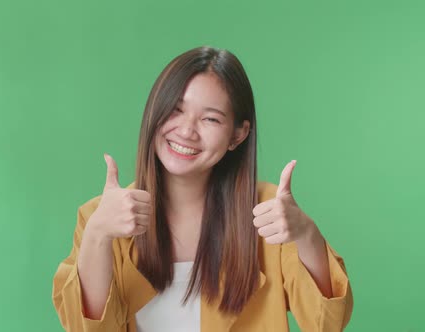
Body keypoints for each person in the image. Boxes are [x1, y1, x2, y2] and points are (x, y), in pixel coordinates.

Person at [52, 46, 353, 332]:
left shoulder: (270, 215)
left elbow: (326, 324)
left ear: (238, 135)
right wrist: (98, 234)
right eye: (175, 109)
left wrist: (306, 233)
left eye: (210, 118)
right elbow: (87, 328)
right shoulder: (101, 217)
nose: (186, 131)